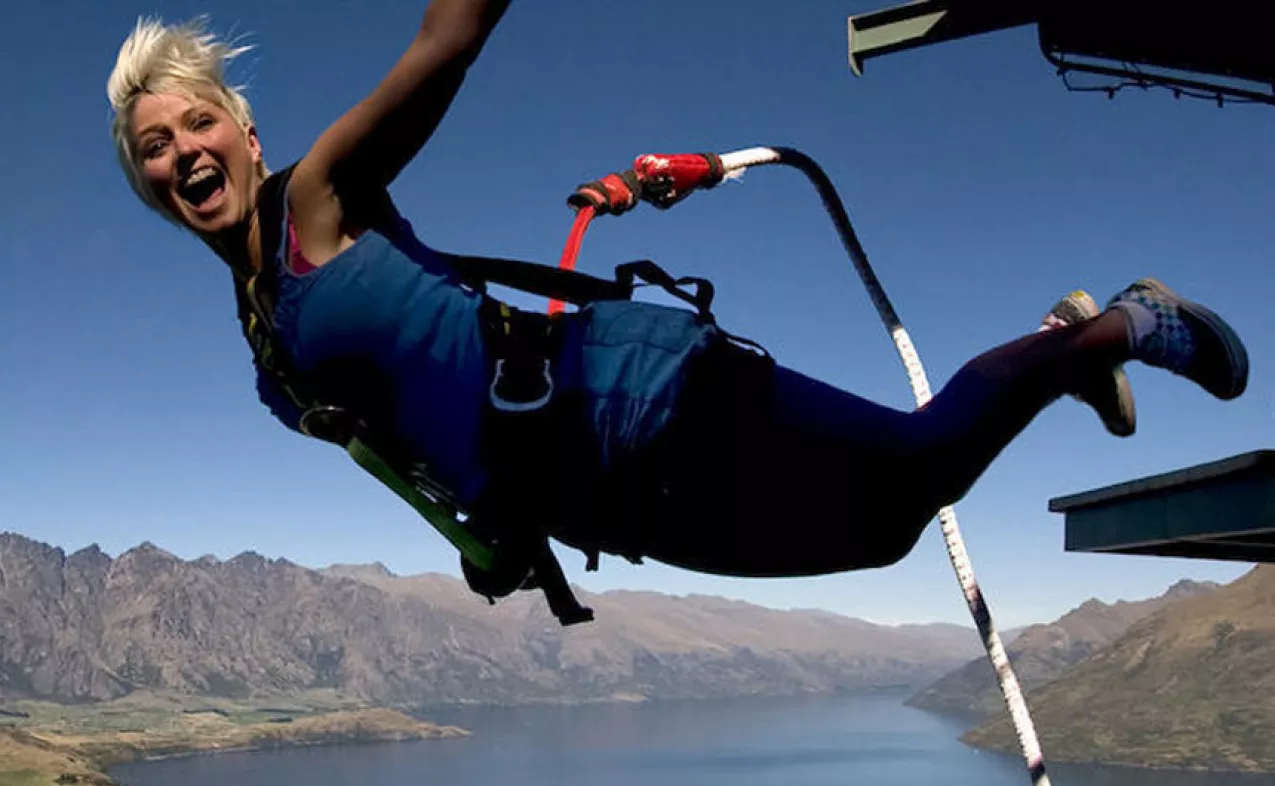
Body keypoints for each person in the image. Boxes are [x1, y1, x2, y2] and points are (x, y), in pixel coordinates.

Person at [105, 6, 1247, 585]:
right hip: (597, 498)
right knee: (884, 539)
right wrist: (486, 534)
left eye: (198, 121)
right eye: (154, 146)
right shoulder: (265, 346)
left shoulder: (318, 199)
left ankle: (1118, 324)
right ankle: (1065, 350)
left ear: (245, 134)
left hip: (630, 394)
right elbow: (405, 435)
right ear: (144, 184)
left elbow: (448, 40)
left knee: (912, 471)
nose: (184, 152)